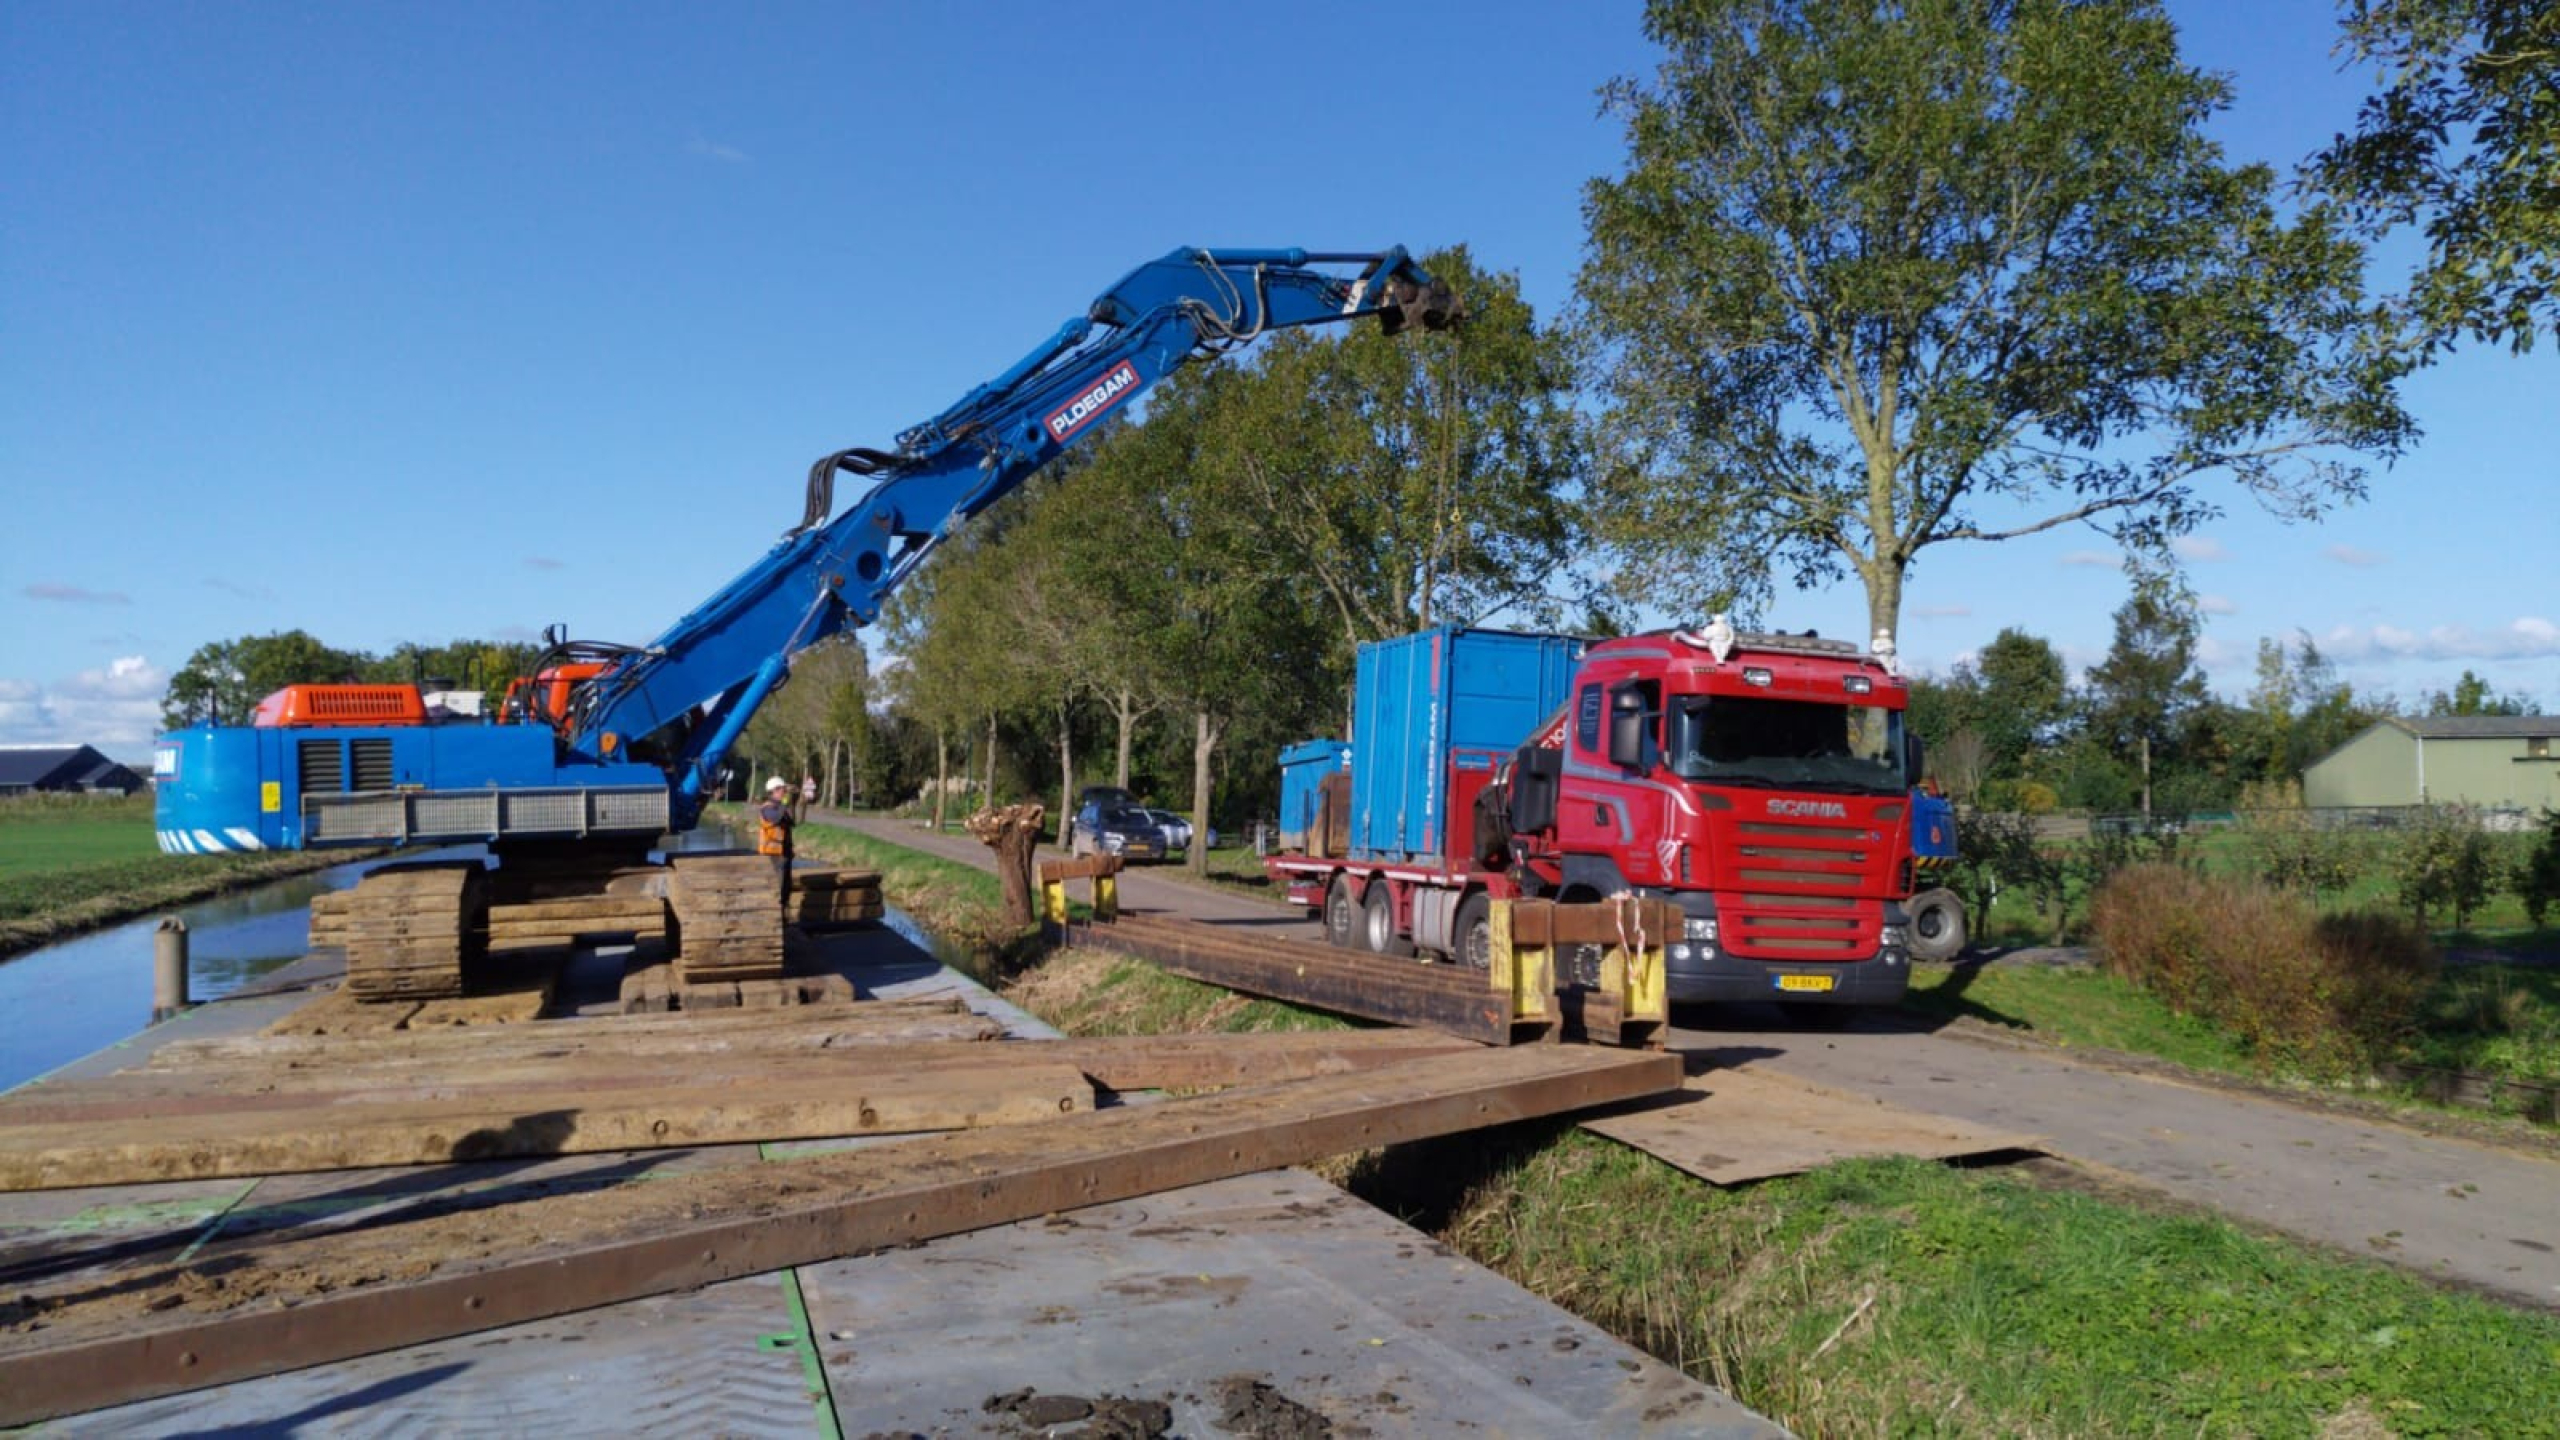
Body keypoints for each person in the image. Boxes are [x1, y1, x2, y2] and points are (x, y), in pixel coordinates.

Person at [758, 776, 797, 903]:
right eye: (782, 789)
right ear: (774, 790)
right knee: (779, 883)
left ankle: (785, 907)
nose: (784, 791)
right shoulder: (767, 808)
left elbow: (793, 822)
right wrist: (784, 804)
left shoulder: (781, 807)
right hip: (773, 852)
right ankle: (779, 906)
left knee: (786, 884)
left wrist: (792, 802)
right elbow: (776, 819)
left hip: (785, 850)